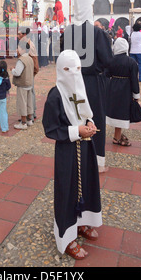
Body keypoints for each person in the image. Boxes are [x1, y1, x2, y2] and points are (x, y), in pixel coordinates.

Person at [62, 0, 113, 173]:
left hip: (73, 82)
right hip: (92, 82)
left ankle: (77, 156)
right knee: (95, 117)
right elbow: (108, 60)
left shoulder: (67, 32)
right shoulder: (97, 33)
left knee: (75, 116)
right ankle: (97, 160)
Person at [42, 50, 102, 259]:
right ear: (60, 70)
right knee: (68, 190)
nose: (73, 74)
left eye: (77, 69)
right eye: (68, 69)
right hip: (68, 151)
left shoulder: (80, 88)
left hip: (86, 147)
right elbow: (50, 128)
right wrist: (76, 131)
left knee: (86, 183)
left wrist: (90, 124)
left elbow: (85, 113)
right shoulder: (55, 95)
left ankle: (83, 222)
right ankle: (67, 237)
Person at [106, 38, 141, 146]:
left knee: (115, 111)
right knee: (121, 113)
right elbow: (134, 80)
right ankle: (117, 138)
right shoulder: (131, 62)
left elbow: (106, 75)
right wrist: (136, 94)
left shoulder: (110, 60)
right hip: (125, 89)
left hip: (112, 87)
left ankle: (117, 135)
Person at [12, 41, 34, 130]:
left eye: (18, 48)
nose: (17, 50)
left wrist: (13, 70)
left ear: (23, 49)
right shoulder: (30, 58)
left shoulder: (21, 60)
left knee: (22, 103)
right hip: (29, 82)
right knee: (29, 102)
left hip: (22, 84)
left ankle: (23, 122)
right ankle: (29, 120)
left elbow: (17, 73)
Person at [17, 26, 39, 120]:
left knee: (29, 92)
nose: (17, 36)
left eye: (19, 34)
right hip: (26, 70)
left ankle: (31, 113)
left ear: (24, 34)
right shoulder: (23, 42)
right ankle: (27, 113)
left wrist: (33, 71)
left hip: (28, 70)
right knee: (28, 92)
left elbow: (32, 58)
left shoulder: (28, 44)